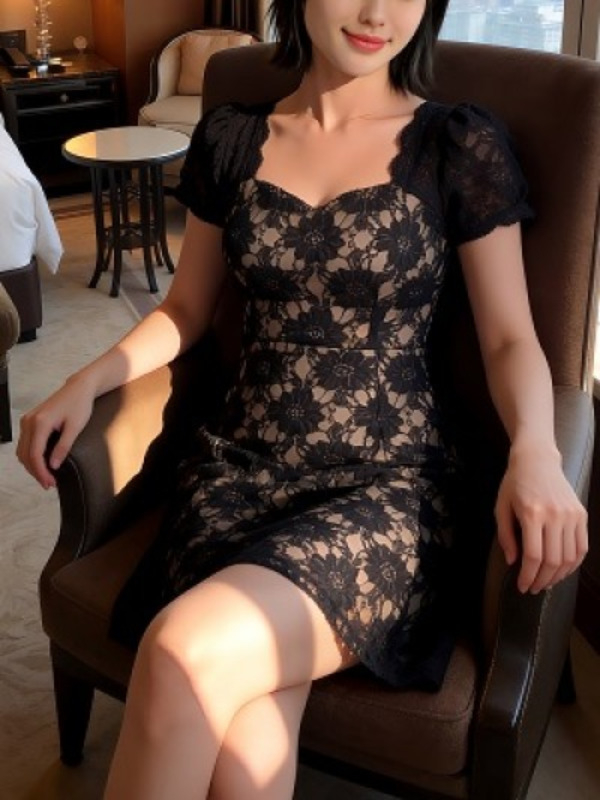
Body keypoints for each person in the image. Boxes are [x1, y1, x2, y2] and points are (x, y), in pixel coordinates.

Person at [18, 1, 588, 798]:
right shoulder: (233, 139)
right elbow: (186, 310)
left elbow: (509, 341)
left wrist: (536, 451)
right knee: (248, 732)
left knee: (182, 651)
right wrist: (88, 378)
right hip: (238, 473)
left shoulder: (456, 144)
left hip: (389, 491)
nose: (376, 12)